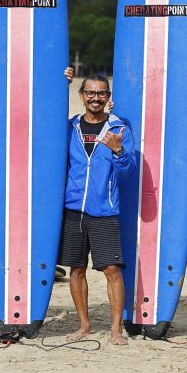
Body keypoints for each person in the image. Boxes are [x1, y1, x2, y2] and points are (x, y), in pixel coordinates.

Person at [59, 74, 136, 345]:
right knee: (76, 269)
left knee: (112, 270)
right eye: (90, 93)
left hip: (105, 210)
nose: (95, 98)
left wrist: (118, 151)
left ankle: (116, 328)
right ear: (81, 95)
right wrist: (62, 81)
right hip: (73, 208)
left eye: (101, 93)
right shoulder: (69, 127)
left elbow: (129, 172)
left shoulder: (119, 128)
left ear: (108, 97)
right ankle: (84, 325)